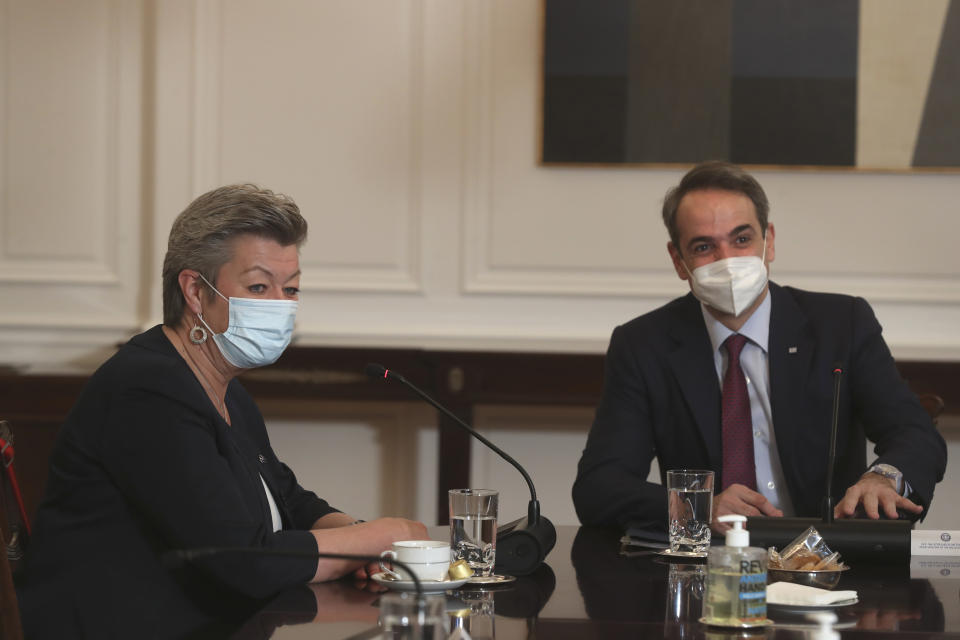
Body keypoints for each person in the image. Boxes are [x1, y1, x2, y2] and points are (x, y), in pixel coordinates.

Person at [16, 184, 427, 637]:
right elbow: (242, 561)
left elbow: (289, 500)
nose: (281, 305)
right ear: (195, 290)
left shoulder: (223, 387)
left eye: (290, 289)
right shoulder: (147, 391)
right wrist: (381, 536)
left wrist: (366, 543)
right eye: (258, 286)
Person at [572, 162, 946, 533]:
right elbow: (599, 486)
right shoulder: (643, 344)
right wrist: (696, 507)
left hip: (831, 560)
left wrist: (882, 478)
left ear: (769, 242)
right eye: (704, 246)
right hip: (712, 567)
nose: (727, 261)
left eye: (741, 239)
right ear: (678, 261)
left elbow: (914, 433)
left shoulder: (841, 323)